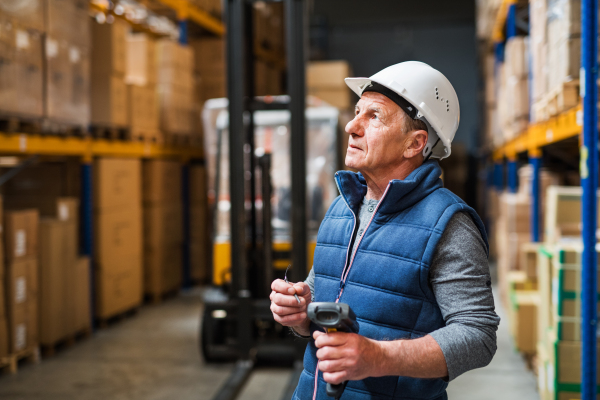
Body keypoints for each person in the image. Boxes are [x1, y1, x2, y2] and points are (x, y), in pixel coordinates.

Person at [270, 61, 500, 400]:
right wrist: (300, 313)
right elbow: (324, 300)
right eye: (356, 112)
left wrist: (379, 357)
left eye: (373, 116)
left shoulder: (448, 224)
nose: (351, 126)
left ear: (414, 143)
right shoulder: (341, 209)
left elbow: (477, 334)